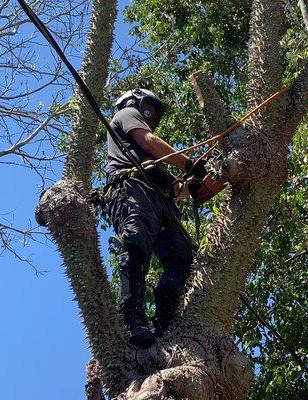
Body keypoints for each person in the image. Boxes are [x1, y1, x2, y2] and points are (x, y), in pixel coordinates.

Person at [106, 89, 206, 348]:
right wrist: (188, 163)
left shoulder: (155, 164)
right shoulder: (126, 114)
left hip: (160, 201)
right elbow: (148, 139)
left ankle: (164, 320)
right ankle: (132, 319)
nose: (149, 118)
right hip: (132, 187)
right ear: (134, 102)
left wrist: (206, 180)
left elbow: (179, 190)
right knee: (136, 245)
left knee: (181, 257)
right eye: (148, 110)